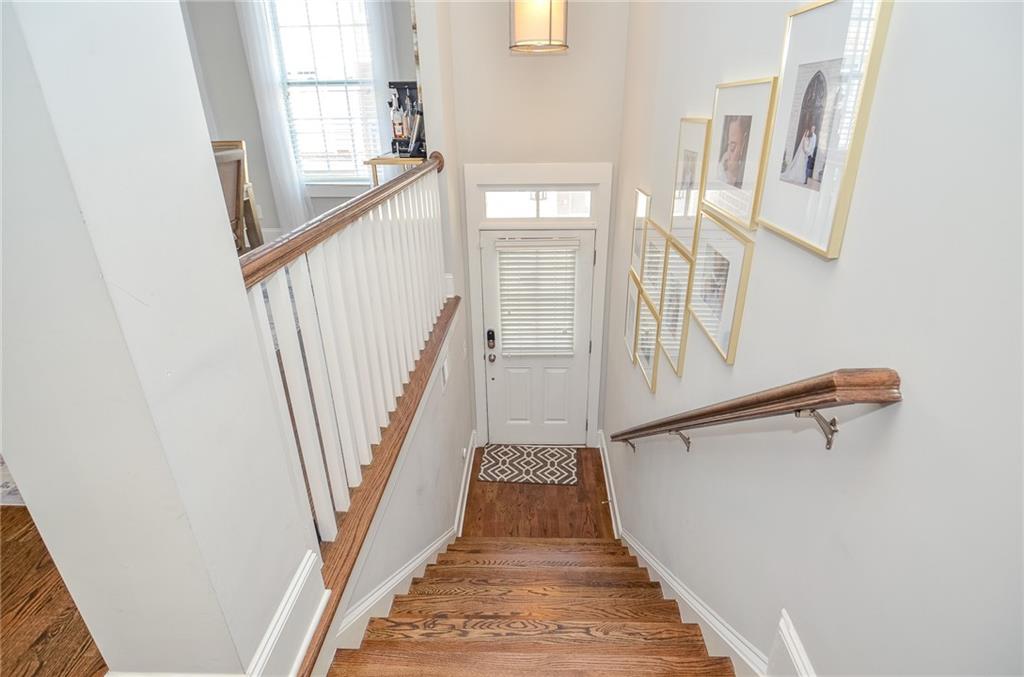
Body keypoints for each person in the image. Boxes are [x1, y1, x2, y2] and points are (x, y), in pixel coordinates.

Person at [717, 117, 748, 188]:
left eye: (732, 147)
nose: (727, 156)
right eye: (728, 145)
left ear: (743, 143)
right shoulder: (722, 167)